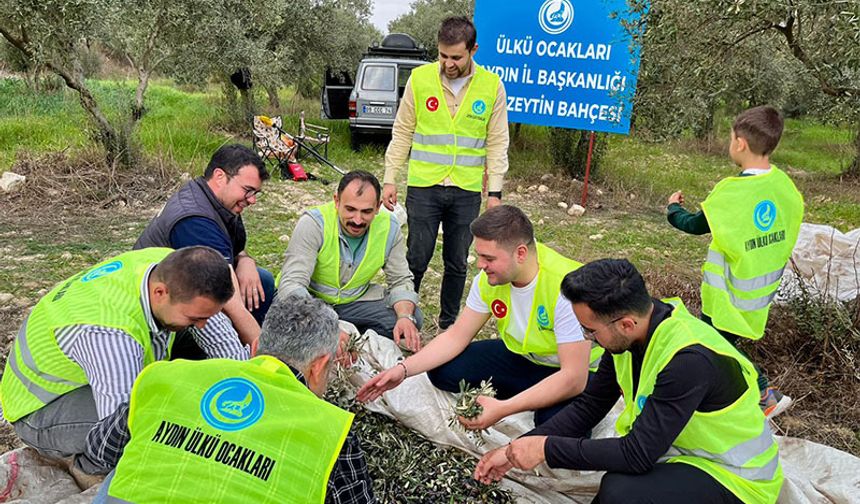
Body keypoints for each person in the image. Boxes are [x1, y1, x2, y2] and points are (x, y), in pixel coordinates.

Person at [474, 259, 784, 504]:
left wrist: (546, 449)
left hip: (735, 479)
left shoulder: (688, 361)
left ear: (625, 323)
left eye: (590, 330)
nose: (588, 340)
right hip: (680, 454)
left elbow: (636, 455)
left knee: (621, 492)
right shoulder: (630, 334)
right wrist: (516, 448)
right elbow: (590, 405)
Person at [92, 295, 375, 504]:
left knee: (126, 468)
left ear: (254, 348)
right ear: (318, 365)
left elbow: (101, 448)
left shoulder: (167, 376)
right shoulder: (330, 428)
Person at [0, 247, 248, 484]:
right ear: (160, 293)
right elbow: (120, 429)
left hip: (89, 368)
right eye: (195, 318)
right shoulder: (109, 335)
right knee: (163, 419)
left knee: (190, 362)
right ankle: (87, 468)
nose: (203, 324)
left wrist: (246, 388)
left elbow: (224, 347)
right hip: (40, 410)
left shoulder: (171, 268)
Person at [358, 206, 601, 428]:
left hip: (568, 372)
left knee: (556, 430)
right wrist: (403, 370)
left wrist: (503, 409)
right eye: (479, 255)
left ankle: (528, 399)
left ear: (520, 253)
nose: (480, 265)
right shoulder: (489, 280)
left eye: (489, 258)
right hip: (524, 358)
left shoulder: (567, 288)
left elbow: (573, 378)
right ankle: (529, 394)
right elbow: (456, 336)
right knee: (442, 371)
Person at [666, 106, 804, 417]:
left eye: (730, 138)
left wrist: (673, 209)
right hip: (758, 293)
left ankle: (763, 392)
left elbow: (693, 225)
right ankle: (726, 395)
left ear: (740, 143)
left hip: (727, 293)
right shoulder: (784, 186)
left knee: (718, 345)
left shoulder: (732, 192)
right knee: (721, 344)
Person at [381, 16, 509, 330]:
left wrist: (494, 194)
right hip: (424, 186)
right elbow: (402, 132)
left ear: (473, 50)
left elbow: (497, 141)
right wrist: (389, 178)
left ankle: (448, 324)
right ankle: (404, 317)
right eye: (442, 56)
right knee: (416, 257)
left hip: (466, 190)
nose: (448, 64)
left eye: (456, 57)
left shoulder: (492, 86)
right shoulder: (420, 79)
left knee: (457, 261)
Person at [279, 171, 423, 351]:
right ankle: (336, 334)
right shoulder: (314, 223)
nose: (357, 220)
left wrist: (404, 318)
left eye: (366, 212)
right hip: (312, 301)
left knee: (412, 315)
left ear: (378, 207)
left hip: (354, 302)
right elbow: (292, 284)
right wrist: (325, 324)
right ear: (336, 201)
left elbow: (400, 279)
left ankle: (349, 337)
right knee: (287, 320)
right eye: (350, 209)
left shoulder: (390, 228)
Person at [135, 144, 275, 327]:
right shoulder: (196, 221)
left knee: (260, 280)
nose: (252, 199)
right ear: (219, 176)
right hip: (161, 307)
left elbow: (234, 247)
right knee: (247, 294)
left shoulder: (214, 200)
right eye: (248, 190)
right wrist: (262, 351)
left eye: (256, 193)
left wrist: (246, 261)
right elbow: (232, 304)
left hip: (184, 283)